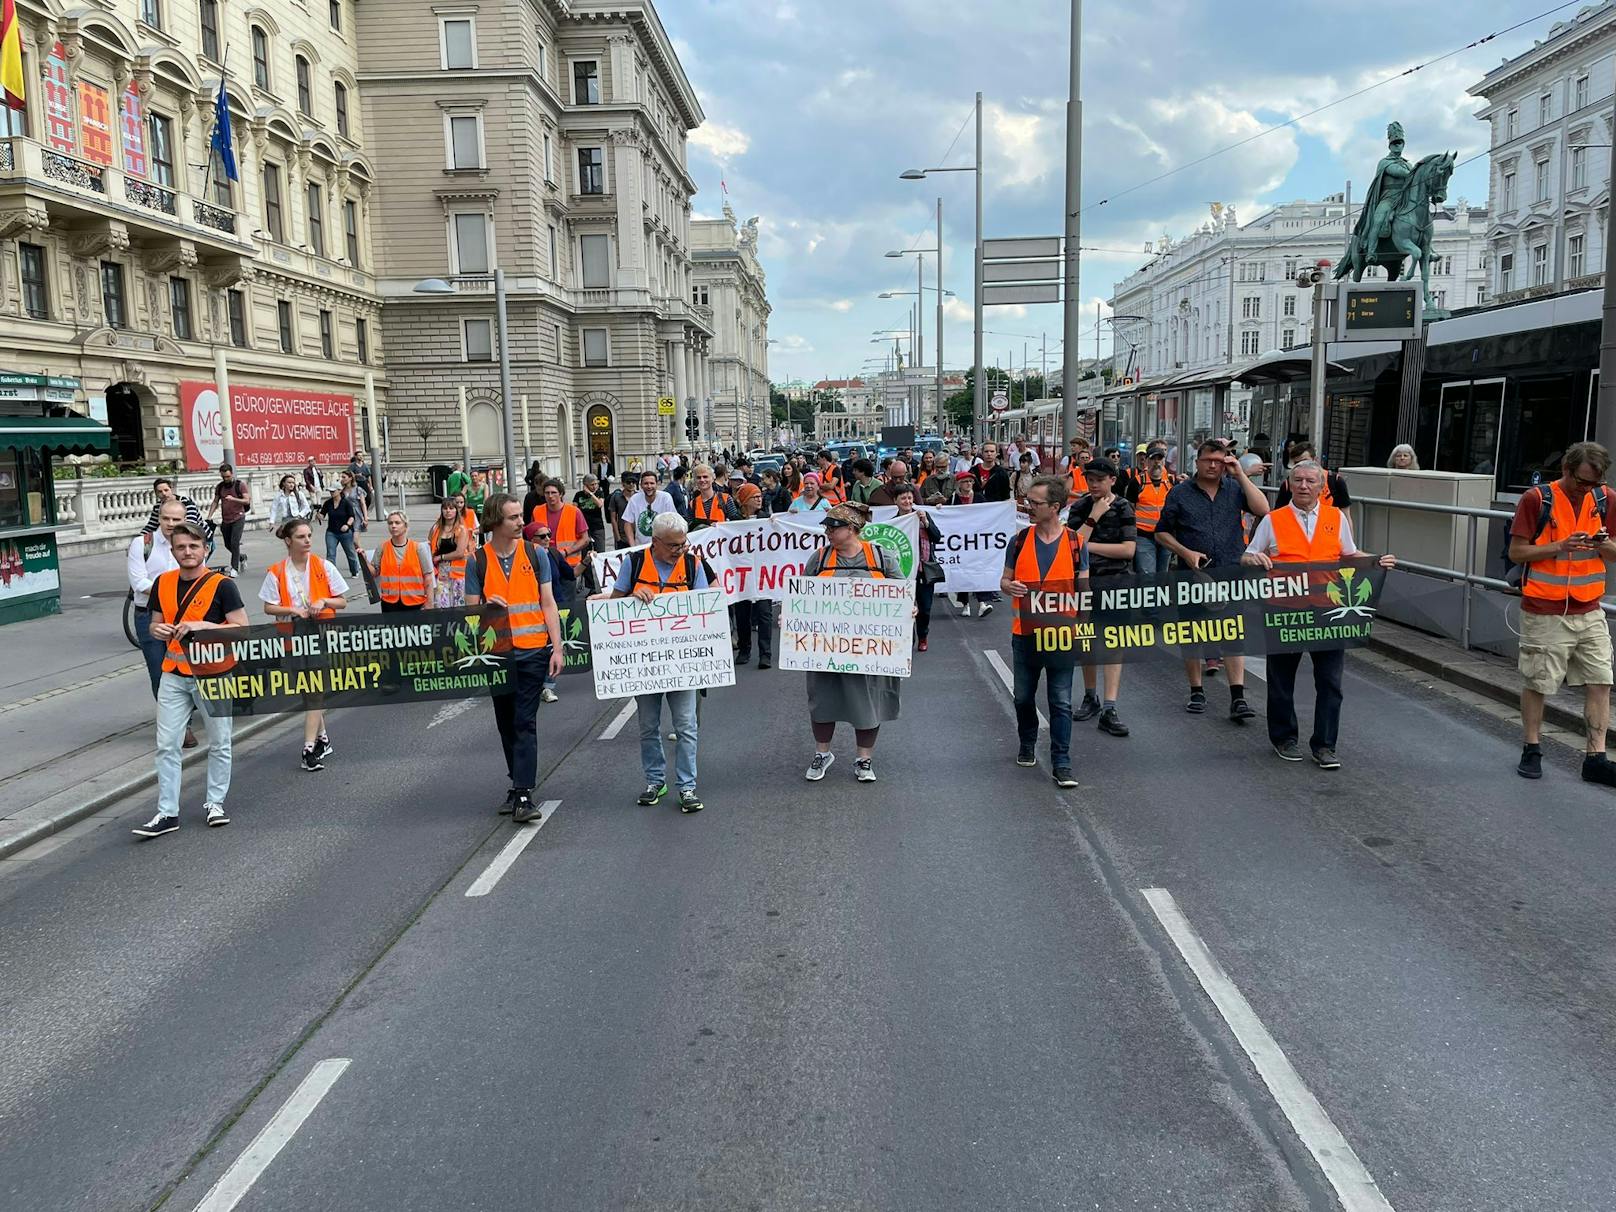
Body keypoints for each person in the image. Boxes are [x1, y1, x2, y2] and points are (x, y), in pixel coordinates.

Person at [1244, 461, 1397, 768]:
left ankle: (1325, 745)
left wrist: (1375, 561)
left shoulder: (1335, 518)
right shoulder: (1273, 520)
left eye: (1310, 481)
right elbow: (1248, 554)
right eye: (1298, 480)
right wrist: (1252, 558)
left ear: (1322, 487)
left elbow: (1348, 554)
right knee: (1281, 679)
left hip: (1328, 612)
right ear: (1289, 484)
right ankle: (1284, 737)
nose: (1303, 486)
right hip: (1285, 610)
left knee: (1330, 681)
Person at [131, 521, 249, 838]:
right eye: (181, 547)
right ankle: (167, 812)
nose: (188, 552)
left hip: (214, 674)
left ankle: (215, 804)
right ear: (173, 551)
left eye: (194, 546)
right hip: (173, 673)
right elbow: (156, 624)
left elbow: (241, 627)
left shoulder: (222, 585)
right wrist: (158, 630)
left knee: (220, 742)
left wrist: (203, 625)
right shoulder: (163, 583)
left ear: (205, 549)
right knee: (166, 745)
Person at [1508, 440, 1616, 785]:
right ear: (1567, 470)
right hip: (1544, 609)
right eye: (1582, 482)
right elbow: (1516, 553)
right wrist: (1560, 546)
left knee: (1601, 680)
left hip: (1589, 608)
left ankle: (1596, 758)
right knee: (1538, 682)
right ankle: (1532, 748)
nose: (1588, 489)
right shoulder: (1537, 499)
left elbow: (1614, 554)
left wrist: (1603, 544)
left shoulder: (1606, 499)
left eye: (1594, 484)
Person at [593, 512, 708, 813]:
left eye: (683, 544)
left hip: (682, 663)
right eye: (673, 546)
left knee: (686, 726)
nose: (679, 550)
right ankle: (655, 781)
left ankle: (687, 787)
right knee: (648, 726)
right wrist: (632, 595)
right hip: (646, 665)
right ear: (655, 542)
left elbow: (705, 611)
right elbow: (616, 608)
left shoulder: (693, 565)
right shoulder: (633, 564)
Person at [1153, 439, 1270, 719]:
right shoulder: (1180, 493)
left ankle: (1238, 697)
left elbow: (1263, 509)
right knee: (1192, 634)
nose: (1214, 465)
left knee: (1232, 634)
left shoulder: (1234, 488)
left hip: (1230, 571)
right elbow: (1161, 532)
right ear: (1198, 462)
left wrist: (1240, 473)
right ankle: (1196, 691)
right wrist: (1184, 551)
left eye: (1220, 460)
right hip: (1192, 575)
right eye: (1209, 460)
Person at [466, 494, 564, 822]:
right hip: (497, 655)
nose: (521, 523)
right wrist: (484, 604)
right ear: (495, 522)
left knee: (525, 721)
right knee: (506, 723)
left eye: (521, 516)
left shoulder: (537, 554)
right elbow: (470, 611)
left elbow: (547, 602)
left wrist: (557, 647)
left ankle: (524, 792)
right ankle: (515, 783)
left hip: (533, 650)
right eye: (512, 518)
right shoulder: (477, 560)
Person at [802, 503, 903, 783]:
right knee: (822, 699)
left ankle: (864, 759)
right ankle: (823, 753)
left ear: (852, 529)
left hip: (870, 650)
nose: (828, 532)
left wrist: (911, 608)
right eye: (826, 527)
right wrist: (791, 613)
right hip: (826, 648)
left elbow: (902, 593)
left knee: (868, 702)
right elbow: (802, 594)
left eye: (834, 527)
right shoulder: (819, 558)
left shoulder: (881, 557)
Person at [1001, 477, 1085, 789]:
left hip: (1063, 634)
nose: (1029, 506)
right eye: (1028, 501)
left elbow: (1085, 589)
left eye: (1035, 503)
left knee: (1060, 700)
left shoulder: (1076, 543)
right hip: (1025, 632)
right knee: (1023, 696)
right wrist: (1009, 586)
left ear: (1054, 507)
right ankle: (1027, 740)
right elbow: (1004, 580)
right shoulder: (1019, 541)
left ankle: (1061, 761)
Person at [261, 518, 349, 771]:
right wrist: (292, 609)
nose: (308, 540)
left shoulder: (323, 566)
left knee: (315, 691)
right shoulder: (277, 571)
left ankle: (308, 749)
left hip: (321, 633)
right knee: (306, 691)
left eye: (309, 535)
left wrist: (323, 601)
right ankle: (323, 738)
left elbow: (341, 601)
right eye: (301, 536)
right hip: (292, 634)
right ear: (288, 541)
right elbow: (268, 607)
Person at [1067, 459, 1137, 736]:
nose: (1093, 484)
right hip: (1084, 584)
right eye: (1090, 479)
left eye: (1099, 479)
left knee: (1112, 644)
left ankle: (1110, 706)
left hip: (1116, 583)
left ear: (1111, 479)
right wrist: (1094, 516)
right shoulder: (1081, 506)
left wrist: (1089, 544)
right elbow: (1072, 546)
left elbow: (1128, 550)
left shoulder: (1124, 507)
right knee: (1086, 642)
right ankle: (1090, 696)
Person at [128, 499, 198, 749]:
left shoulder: (189, 543)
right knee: (160, 672)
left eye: (176, 520)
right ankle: (182, 728)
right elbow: (139, 583)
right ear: (159, 517)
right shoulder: (142, 544)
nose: (170, 524)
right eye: (166, 518)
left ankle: (185, 718)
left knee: (186, 670)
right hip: (149, 615)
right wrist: (172, 591)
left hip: (185, 616)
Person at [894, 483, 943, 653]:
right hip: (904, 572)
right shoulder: (895, 522)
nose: (907, 501)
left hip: (924, 570)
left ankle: (923, 635)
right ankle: (909, 639)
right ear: (896, 501)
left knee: (925, 607)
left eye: (909, 498)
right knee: (906, 608)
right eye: (903, 498)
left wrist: (926, 522)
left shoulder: (922, 515)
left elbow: (937, 537)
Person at [730, 484, 774, 668]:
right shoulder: (733, 520)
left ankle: (765, 654)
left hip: (763, 572)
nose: (759, 499)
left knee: (765, 613)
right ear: (744, 499)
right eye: (754, 496)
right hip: (742, 573)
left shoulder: (767, 519)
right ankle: (744, 649)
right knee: (742, 613)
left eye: (760, 495)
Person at [368, 511, 434, 613]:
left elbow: (428, 577)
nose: (393, 526)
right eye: (390, 523)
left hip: (415, 601)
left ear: (405, 525)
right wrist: (363, 559)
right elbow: (374, 572)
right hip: (389, 602)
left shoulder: (418, 548)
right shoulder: (382, 548)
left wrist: (430, 602)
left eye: (397, 523)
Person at [1127, 445, 1175, 577]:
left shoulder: (1171, 481)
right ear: (1147, 461)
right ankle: (1149, 598)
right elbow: (1130, 509)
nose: (1157, 462)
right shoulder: (1137, 482)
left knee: (1163, 573)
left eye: (1160, 459)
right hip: (1144, 536)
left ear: (1164, 461)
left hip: (1166, 535)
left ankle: (1160, 597)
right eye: (1153, 459)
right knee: (1147, 574)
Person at [1276, 441, 1352, 510]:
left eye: (1305, 461)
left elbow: (1346, 515)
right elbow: (1278, 514)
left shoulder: (1336, 481)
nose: (1302, 465)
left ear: (1315, 460)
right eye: (1297, 463)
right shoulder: (1288, 484)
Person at [205, 463, 251, 577]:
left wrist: (234, 499)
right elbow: (215, 501)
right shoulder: (220, 486)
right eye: (223, 477)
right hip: (226, 519)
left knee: (235, 543)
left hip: (238, 517)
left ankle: (234, 568)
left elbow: (247, 501)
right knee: (227, 544)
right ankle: (241, 557)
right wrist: (209, 516)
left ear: (232, 474)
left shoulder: (240, 485)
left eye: (228, 477)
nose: (226, 479)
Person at [428, 496, 473, 607]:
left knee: (458, 606)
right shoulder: (436, 528)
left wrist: (441, 557)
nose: (448, 511)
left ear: (456, 511)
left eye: (451, 508)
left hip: (458, 575)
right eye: (445, 508)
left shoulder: (461, 529)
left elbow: (460, 552)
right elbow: (430, 546)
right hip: (441, 574)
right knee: (441, 604)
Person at [318, 482, 362, 576]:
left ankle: (354, 571)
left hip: (345, 532)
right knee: (330, 553)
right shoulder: (328, 503)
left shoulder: (346, 502)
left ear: (339, 490)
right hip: (331, 532)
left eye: (333, 491)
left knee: (350, 553)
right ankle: (331, 573)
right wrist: (319, 515)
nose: (331, 493)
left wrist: (347, 525)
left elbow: (352, 516)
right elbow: (323, 515)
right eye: (330, 491)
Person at [623, 470, 676, 542]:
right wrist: (632, 545)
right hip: (641, 547)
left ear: (657, 485)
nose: (649, 486)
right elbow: (627, 523)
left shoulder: (666, 498)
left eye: (652, 483)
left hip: (662, 547)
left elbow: (673, 522)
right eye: (646, 483)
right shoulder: (634, 499)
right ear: (641, 485)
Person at [687, 464, 731, 530]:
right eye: (699, 477)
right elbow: (689, 528)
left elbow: (735, 525)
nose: (702, 480)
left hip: (722, 539)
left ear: (713, 478)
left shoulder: (726, 499)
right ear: (695, 481)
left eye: (705, 477)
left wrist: (722, 525)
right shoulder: (693, 504)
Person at [575, 475, 606, 553]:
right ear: (585, 485)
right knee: (585, 552)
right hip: (583, 527)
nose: (595, 486)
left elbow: (600, 504)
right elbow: (574, 509)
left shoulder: (599, 493)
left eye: (596, 484)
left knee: (600, 551)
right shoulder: (579, 495)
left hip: (597, 526)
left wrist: (590, 494)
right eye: (592, 484)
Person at [605, 476, 631, 549]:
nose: (631, 484)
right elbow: (613, 518)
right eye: (628, 482)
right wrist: (617, 538)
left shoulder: (639, 496)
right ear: (623, 484)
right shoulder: (616, 497)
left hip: (636, 536)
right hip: (622, 535)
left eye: (634, 482)